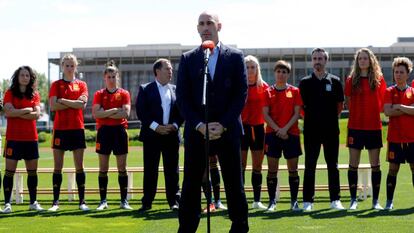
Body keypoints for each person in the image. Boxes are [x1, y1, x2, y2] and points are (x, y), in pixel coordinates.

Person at [176, 11, 249, 233]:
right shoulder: (189, 58)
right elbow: (183, 97)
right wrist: (200, 125)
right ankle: (187, 227)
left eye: (209, 23)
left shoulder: (235, 56)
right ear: (197, 28)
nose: (205, 27)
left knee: (234, 183)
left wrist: (223, 124)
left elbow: (241, 93)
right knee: (190, 185)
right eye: (201, 24)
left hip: (227, 130)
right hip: (198, 130)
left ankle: (239, 226)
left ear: (219, 26)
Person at [299, 48, 345, 211]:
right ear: (312, 61)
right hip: (311, 131)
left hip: (331, 130)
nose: (317, 61)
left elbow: (340, 106)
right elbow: (301, 108)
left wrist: (328, 120)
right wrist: (312, 120)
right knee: (310, 165)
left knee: (333, 165)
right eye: (315, 58)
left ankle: (335, 199)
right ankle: (307, 201)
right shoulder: (305, 82)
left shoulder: (335, 81)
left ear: (326, 61)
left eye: (320, 58)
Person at [136, 58, 183, 212]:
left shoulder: (176, 89)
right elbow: (142, 112)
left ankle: (174, 201)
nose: (171, 71)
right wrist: (156, 127)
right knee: (150, 170)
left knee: (172, 170)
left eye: (171, 69)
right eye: (167, 68)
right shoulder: (145, 89)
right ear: (157, 71)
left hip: (171, 135)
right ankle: (147, 202)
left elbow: (181, 112)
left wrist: (175, 125)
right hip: (152, 136)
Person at [344, 48, 386, 210]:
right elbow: (348, 100)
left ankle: (376, 201)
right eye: (360, 58)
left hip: (374, 127)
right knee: (353, 164)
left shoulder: (379, 79)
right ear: (357, 61)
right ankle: (353, 200)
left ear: (371, 61)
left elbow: (382, 103)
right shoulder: (350, 80)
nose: (362, 61)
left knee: (375, 165)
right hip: (355, 127)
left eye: (365, 58)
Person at [48, 54, 89, 211]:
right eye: (67, 65)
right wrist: (73, 103)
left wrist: (63, 101)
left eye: (72, 65)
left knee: (79, 166)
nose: (70, 68)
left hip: (77, 129)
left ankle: (82, 202)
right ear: (62, 66)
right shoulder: (56, 85)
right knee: (58, 166)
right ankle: (55, 203)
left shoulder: (82, 84)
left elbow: (82, 105)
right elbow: (53, 106)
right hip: (60, 129)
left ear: (76, 66)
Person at [1, 66, 44, 213]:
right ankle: (7, 204)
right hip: (13, 138)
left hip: (31, 138)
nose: (25, 77)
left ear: (30, 78)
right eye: (22, 75)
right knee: (9, 172)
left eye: (27, 75)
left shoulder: (35, 94)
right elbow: (8, 111)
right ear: (17, 77)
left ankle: (33, 202)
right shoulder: (9, 93)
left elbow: (36, 115)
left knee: (32, 172)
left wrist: (16, 112)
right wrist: (26, 110)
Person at [92, 61, 132, 210]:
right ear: (104, 78)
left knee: (122, 167)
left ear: (118, 77)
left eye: (114, 76)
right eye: (108, 76)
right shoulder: (99, 94)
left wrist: (105, 112)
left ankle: (124, 201)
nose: (111, 79)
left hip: (120, 132)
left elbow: (125, 114)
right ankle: (103, 201)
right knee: (103, 168)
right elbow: (96, 114)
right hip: (104, 132)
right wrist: (114, 110)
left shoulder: (124, 93)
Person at [263, 60, 302, 212]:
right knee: (272, 169)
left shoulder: (295, 91)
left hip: (291, 134)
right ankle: (272, 202)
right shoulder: (268, 92)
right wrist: (278, 130)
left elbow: (297, 113)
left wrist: (285, 129)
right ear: (275, 73)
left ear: (288, 74)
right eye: (278, 71)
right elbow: (265, 115)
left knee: (293, 169)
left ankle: (294, 202)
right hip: (273, 135)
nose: (281, 74)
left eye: (284, 72)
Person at [383, 57, 414, 210]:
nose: (398, 75)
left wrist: (400, 106)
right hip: (395, 138)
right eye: (396, 72)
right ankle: (389, 201)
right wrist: (407, 109)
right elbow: (387, 111)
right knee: (393, 169)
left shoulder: (413, 91)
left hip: (412, 138)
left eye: (401, 72)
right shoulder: (389, 91)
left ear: (407, 74)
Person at [241, 55, 268, 209]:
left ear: (257, 69)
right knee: (241, 165)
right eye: (247, 67)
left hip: (258, 130)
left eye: (253, 67)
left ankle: (257, 200)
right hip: (242, 129)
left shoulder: (264, 87)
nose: (250, 70)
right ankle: (241, 199)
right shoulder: (238, 86)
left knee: (257, 166)